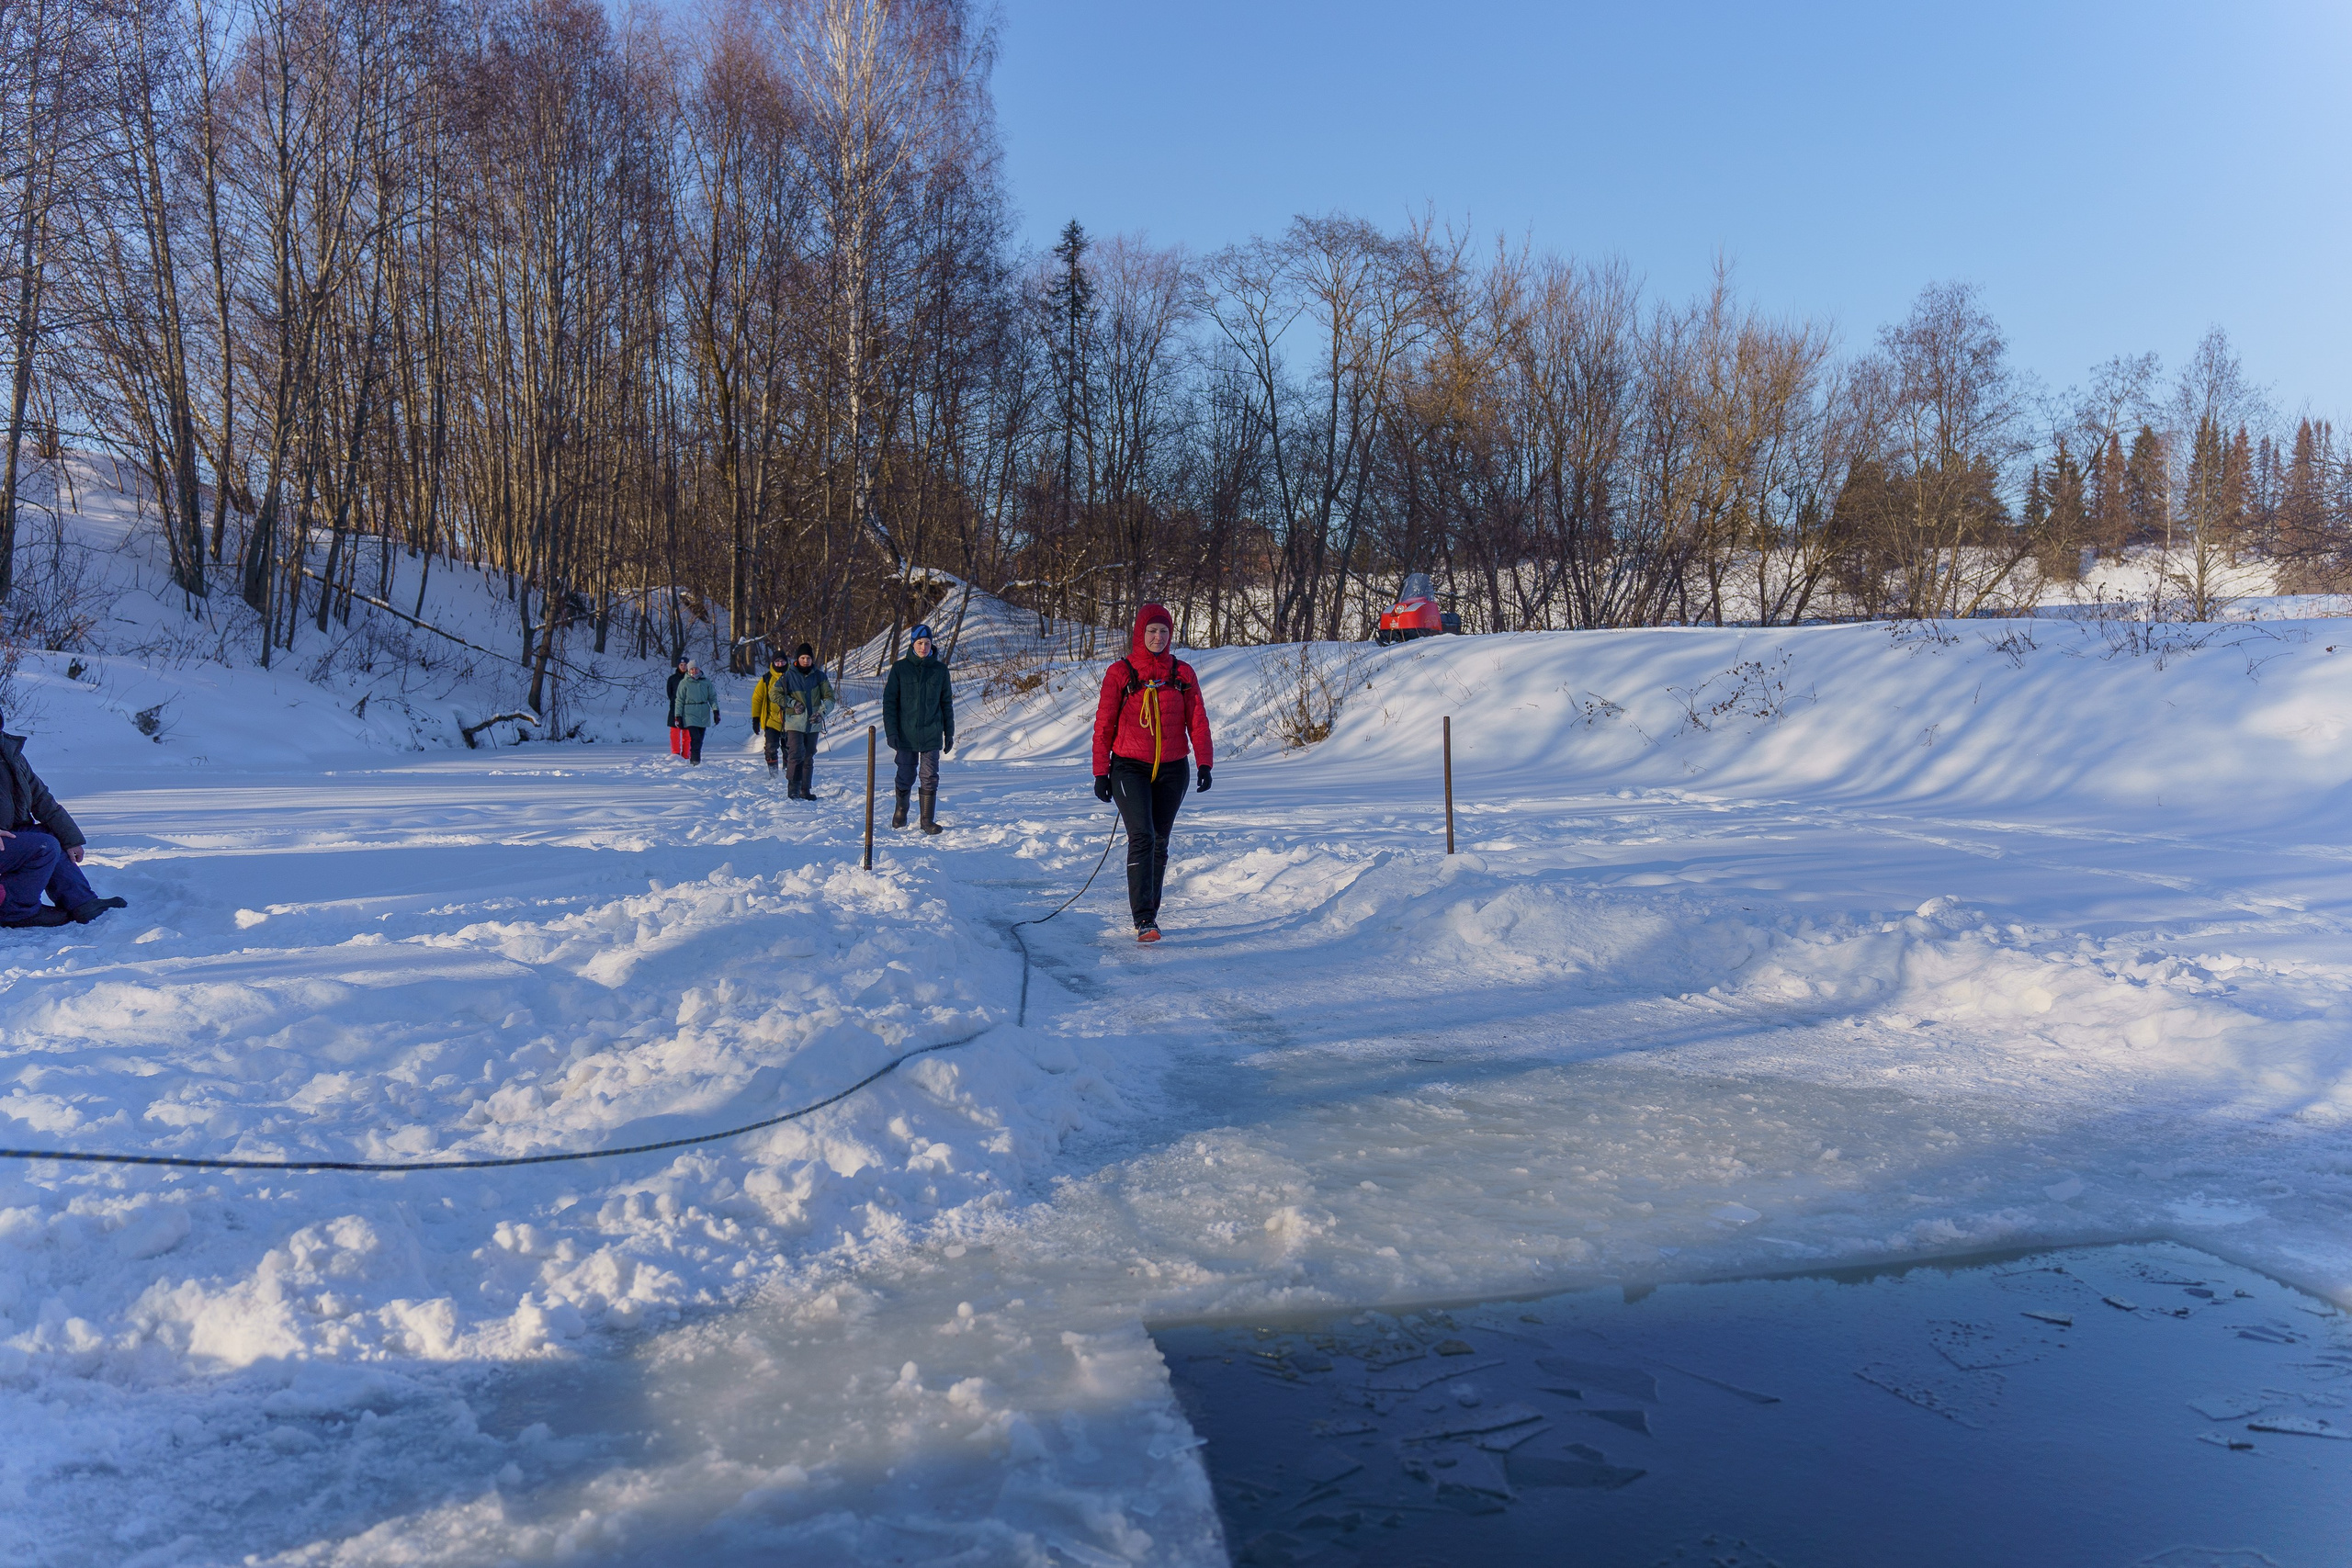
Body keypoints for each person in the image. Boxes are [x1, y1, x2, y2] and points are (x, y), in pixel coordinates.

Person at [1090, 604, 1212, 942]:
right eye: (1152, 631)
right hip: (1129, 767)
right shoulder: (1120, 672)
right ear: (1139, 634)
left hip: (1174, 768)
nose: (1158, 637)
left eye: (1164, 631)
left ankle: (1151, 917)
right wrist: (1101, 771)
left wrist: (1204, 763)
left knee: (1160, 841)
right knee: (1142, 836)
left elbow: (1198, 720)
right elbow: (1104, 725)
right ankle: (1143, 919)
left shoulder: (1182, 673)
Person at [0, 713, 128, 928]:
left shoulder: (9, 753)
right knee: (43, 847)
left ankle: (82, 903)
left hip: (8, 835)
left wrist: (70, 838)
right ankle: (15, 910)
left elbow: (40, 798)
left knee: (50, 836)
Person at [881, 623, 954, 834]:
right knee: (905, 773)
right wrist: (891, 731)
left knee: (930, 775)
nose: (924, 647)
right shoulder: (900, 669)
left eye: (927, 643)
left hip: (931, 732)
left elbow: (946, 703)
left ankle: (926, 820)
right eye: (920, 643)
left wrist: (949, 733)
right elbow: (890, 703)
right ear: (913, 643)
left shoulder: (940, 670)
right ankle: (901, 810)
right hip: (906, 733)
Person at [780, 643, 834, 799]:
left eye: (808, 658)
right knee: (796, 754)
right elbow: (775, 694)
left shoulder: (819, 676)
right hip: (794, 723)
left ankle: (805, 790)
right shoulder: (788, 676)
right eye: (803, 657)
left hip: (813, 723)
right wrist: (792, 704)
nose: (805, 661)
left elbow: (830, 698)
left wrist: (821, 713)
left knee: (808, 756)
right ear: (797, 659)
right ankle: (793, 790)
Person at [750, 651, 792, 777]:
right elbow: (757, 699)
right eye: (777, 662)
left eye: (782, 661)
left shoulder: (793, 676)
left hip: (790, 720)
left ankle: (787, 773)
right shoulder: (766, 678)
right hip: (771, 720)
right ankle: (773, 774)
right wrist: (755, 719)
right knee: (770, 747)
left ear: (786, 662)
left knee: (789, 749)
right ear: (773, 663)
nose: (780, 664)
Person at [673, 661, 718, 765]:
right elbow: (679, 700)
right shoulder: (684, 683)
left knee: (700, 739)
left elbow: (712, 697)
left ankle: (696, 759)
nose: (694, 671)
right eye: (692, 669)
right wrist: (678, 715)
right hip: (690, 713)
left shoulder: (706, 682)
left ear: (699, 669)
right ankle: (695, 760)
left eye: (696, 669)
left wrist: (716, 711)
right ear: (689, 671)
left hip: (703, 713)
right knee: (695, 738)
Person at [665, 654, 690, 758]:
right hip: (674, 708)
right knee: (674, 733)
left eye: (685, 665)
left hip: (688, 708)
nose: (683, 667)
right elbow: (669, 693)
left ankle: (686, 754)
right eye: (681, 664)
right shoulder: (672, 679)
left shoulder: (691, 678)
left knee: (687, 733)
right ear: (678, 666)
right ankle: (675, 754)